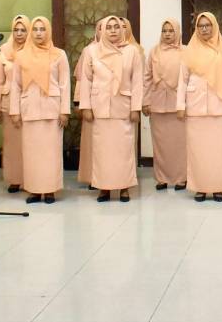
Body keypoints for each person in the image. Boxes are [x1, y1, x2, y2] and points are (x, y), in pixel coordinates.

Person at [81, 15, 144, 203]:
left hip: (122, 108)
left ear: (122, 29)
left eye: (117, 26)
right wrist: (86, 106)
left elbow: (137, 81)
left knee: (123, 151)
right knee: (102, 152)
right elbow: (86, 80)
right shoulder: (92, 51)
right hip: (100, 108)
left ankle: (124, 187)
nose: (113, 30)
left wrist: (136, 108)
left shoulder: (131, 51)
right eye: (108, 27)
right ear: (102, 30)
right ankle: (104, 188)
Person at [177, 10, 222, 203]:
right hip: (195, 108)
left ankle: (218, 188)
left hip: (220, 107)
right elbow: (182, 80)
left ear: (214, 26)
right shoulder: (189, 51)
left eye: (208, 25)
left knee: (219, 152)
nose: (204, 29)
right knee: (198, 152)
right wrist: (180, 105)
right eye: (200, 26)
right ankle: (200, 188)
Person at [9, 15, 69, 204]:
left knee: (51, 153)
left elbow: (64, 84)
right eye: (35, 29)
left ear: (48, 31)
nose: (38, 33)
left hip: (52, 110)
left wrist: (64, 111)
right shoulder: (21, 56)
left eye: (42, 29)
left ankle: (50, 190)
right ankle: (34, 190)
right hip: (30, 109)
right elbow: (15, 85)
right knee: (32, 154)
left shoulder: (59, 54)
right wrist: (15, 111)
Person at [144, 18, 187, 192]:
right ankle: (161, 178)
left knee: (179, 143)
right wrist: (145, 101)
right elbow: (147, 77)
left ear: (177, 32)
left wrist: (186, 103)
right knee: (160, 144)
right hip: (157, 103)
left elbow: (189, 79)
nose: (167, 34)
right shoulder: (154, 51)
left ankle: (181, 178)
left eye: (171, 31)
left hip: (178, 104)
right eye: (164, 31)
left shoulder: (186, 51)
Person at [0, 15, 28, 194]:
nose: (19, 33)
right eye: (16, 30)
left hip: (28, 102)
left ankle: (30, 179)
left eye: (23, 30)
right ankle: (15, 179)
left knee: (28, 144)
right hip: (8, 102)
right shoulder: (4, 52)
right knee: (12, 144)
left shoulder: (34, 51)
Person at [73, 17, 106, 190]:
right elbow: (82, 78)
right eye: (100, 28)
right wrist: (79, 102)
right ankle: (92, 177)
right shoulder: (89, 50)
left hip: (109, 105)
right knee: (91, 143)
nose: (103, 31)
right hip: (91, 104)